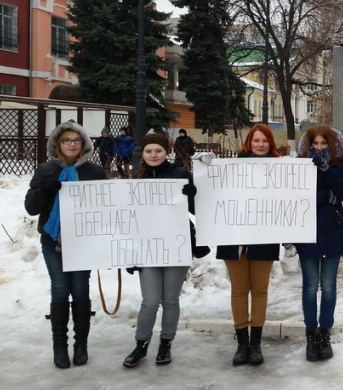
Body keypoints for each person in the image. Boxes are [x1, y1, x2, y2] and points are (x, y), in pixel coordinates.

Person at [25, 120, 107, 368]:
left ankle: (80, 345)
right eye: (66, 140)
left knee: (81, 289)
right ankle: (59, 347)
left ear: (84, 144)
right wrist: (46, 189)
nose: (71, 144)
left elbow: (108, 208)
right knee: (60, 289)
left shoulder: (94, 172)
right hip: (53, 241)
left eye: (76, 140)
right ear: (57, 144)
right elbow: (31, 208)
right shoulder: (46, 170)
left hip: (83, 242)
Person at [123, 133, 207, 368]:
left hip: (176, 244)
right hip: (147, 246)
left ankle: (165, 343)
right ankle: (141, 344)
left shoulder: (179, 174)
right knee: (149, 301)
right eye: (149, 151)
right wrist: (129, 252)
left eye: (158, 151)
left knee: (170, 300)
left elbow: (195, 209)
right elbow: (128, 216)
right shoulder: (136, 178)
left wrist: (192, 195)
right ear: (144, 154)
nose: (153, 155)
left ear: (165, 152)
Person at [216, 124, 281, 366]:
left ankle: (256, 344)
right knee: (239, 290)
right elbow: (213, 193)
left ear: (271, 143)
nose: (261, 144)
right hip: (234, 239)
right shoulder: (231, 169)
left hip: (263, 237)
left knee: (260, 290)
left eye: (265, 140)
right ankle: (242, 343)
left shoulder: (280, 169)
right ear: (249, 143)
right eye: (256, 141)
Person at [295, 125, 343, 362]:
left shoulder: (341, 163)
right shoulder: (298, 165)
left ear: (331, 144)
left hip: (333, 230)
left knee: (328, 286)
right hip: (306, 230)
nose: (319, 148)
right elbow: (297, 194)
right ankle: (311, 333)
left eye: (323, 143)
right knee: (310, 286)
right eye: (314, 144)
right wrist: (324, 197)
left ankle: (325, 332)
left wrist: (327, 170)